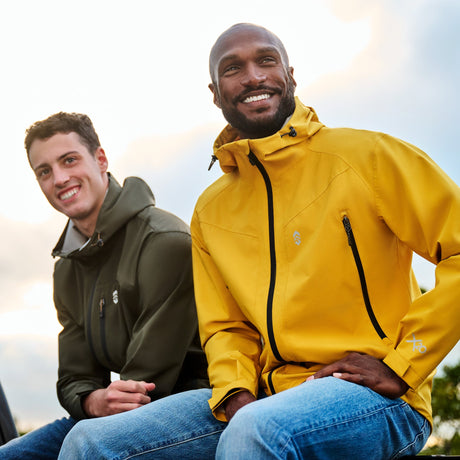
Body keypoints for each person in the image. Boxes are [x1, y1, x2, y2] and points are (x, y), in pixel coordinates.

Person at [57, 23, 460, 459]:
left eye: (265, 60)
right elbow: (224, 326)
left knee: (255, 431)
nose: (252, 76)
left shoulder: (370, 157)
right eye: (233, 68)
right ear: (215, 93)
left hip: (377, 398)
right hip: (264, 396)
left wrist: (403, 363)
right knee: (91, 442)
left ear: (290, 74)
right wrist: (233, 390)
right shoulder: (211, 209)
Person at [0, 112, 208, 459]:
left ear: (100, 159)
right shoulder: (66, 270)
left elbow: (145, 386)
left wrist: (101, 403)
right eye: (45, 171)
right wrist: (91, 400)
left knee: (89, 445)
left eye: (69, 160)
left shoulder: (164, 241)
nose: (60, 178)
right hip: (110, 412)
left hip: (197, 403)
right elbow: (73, 377)